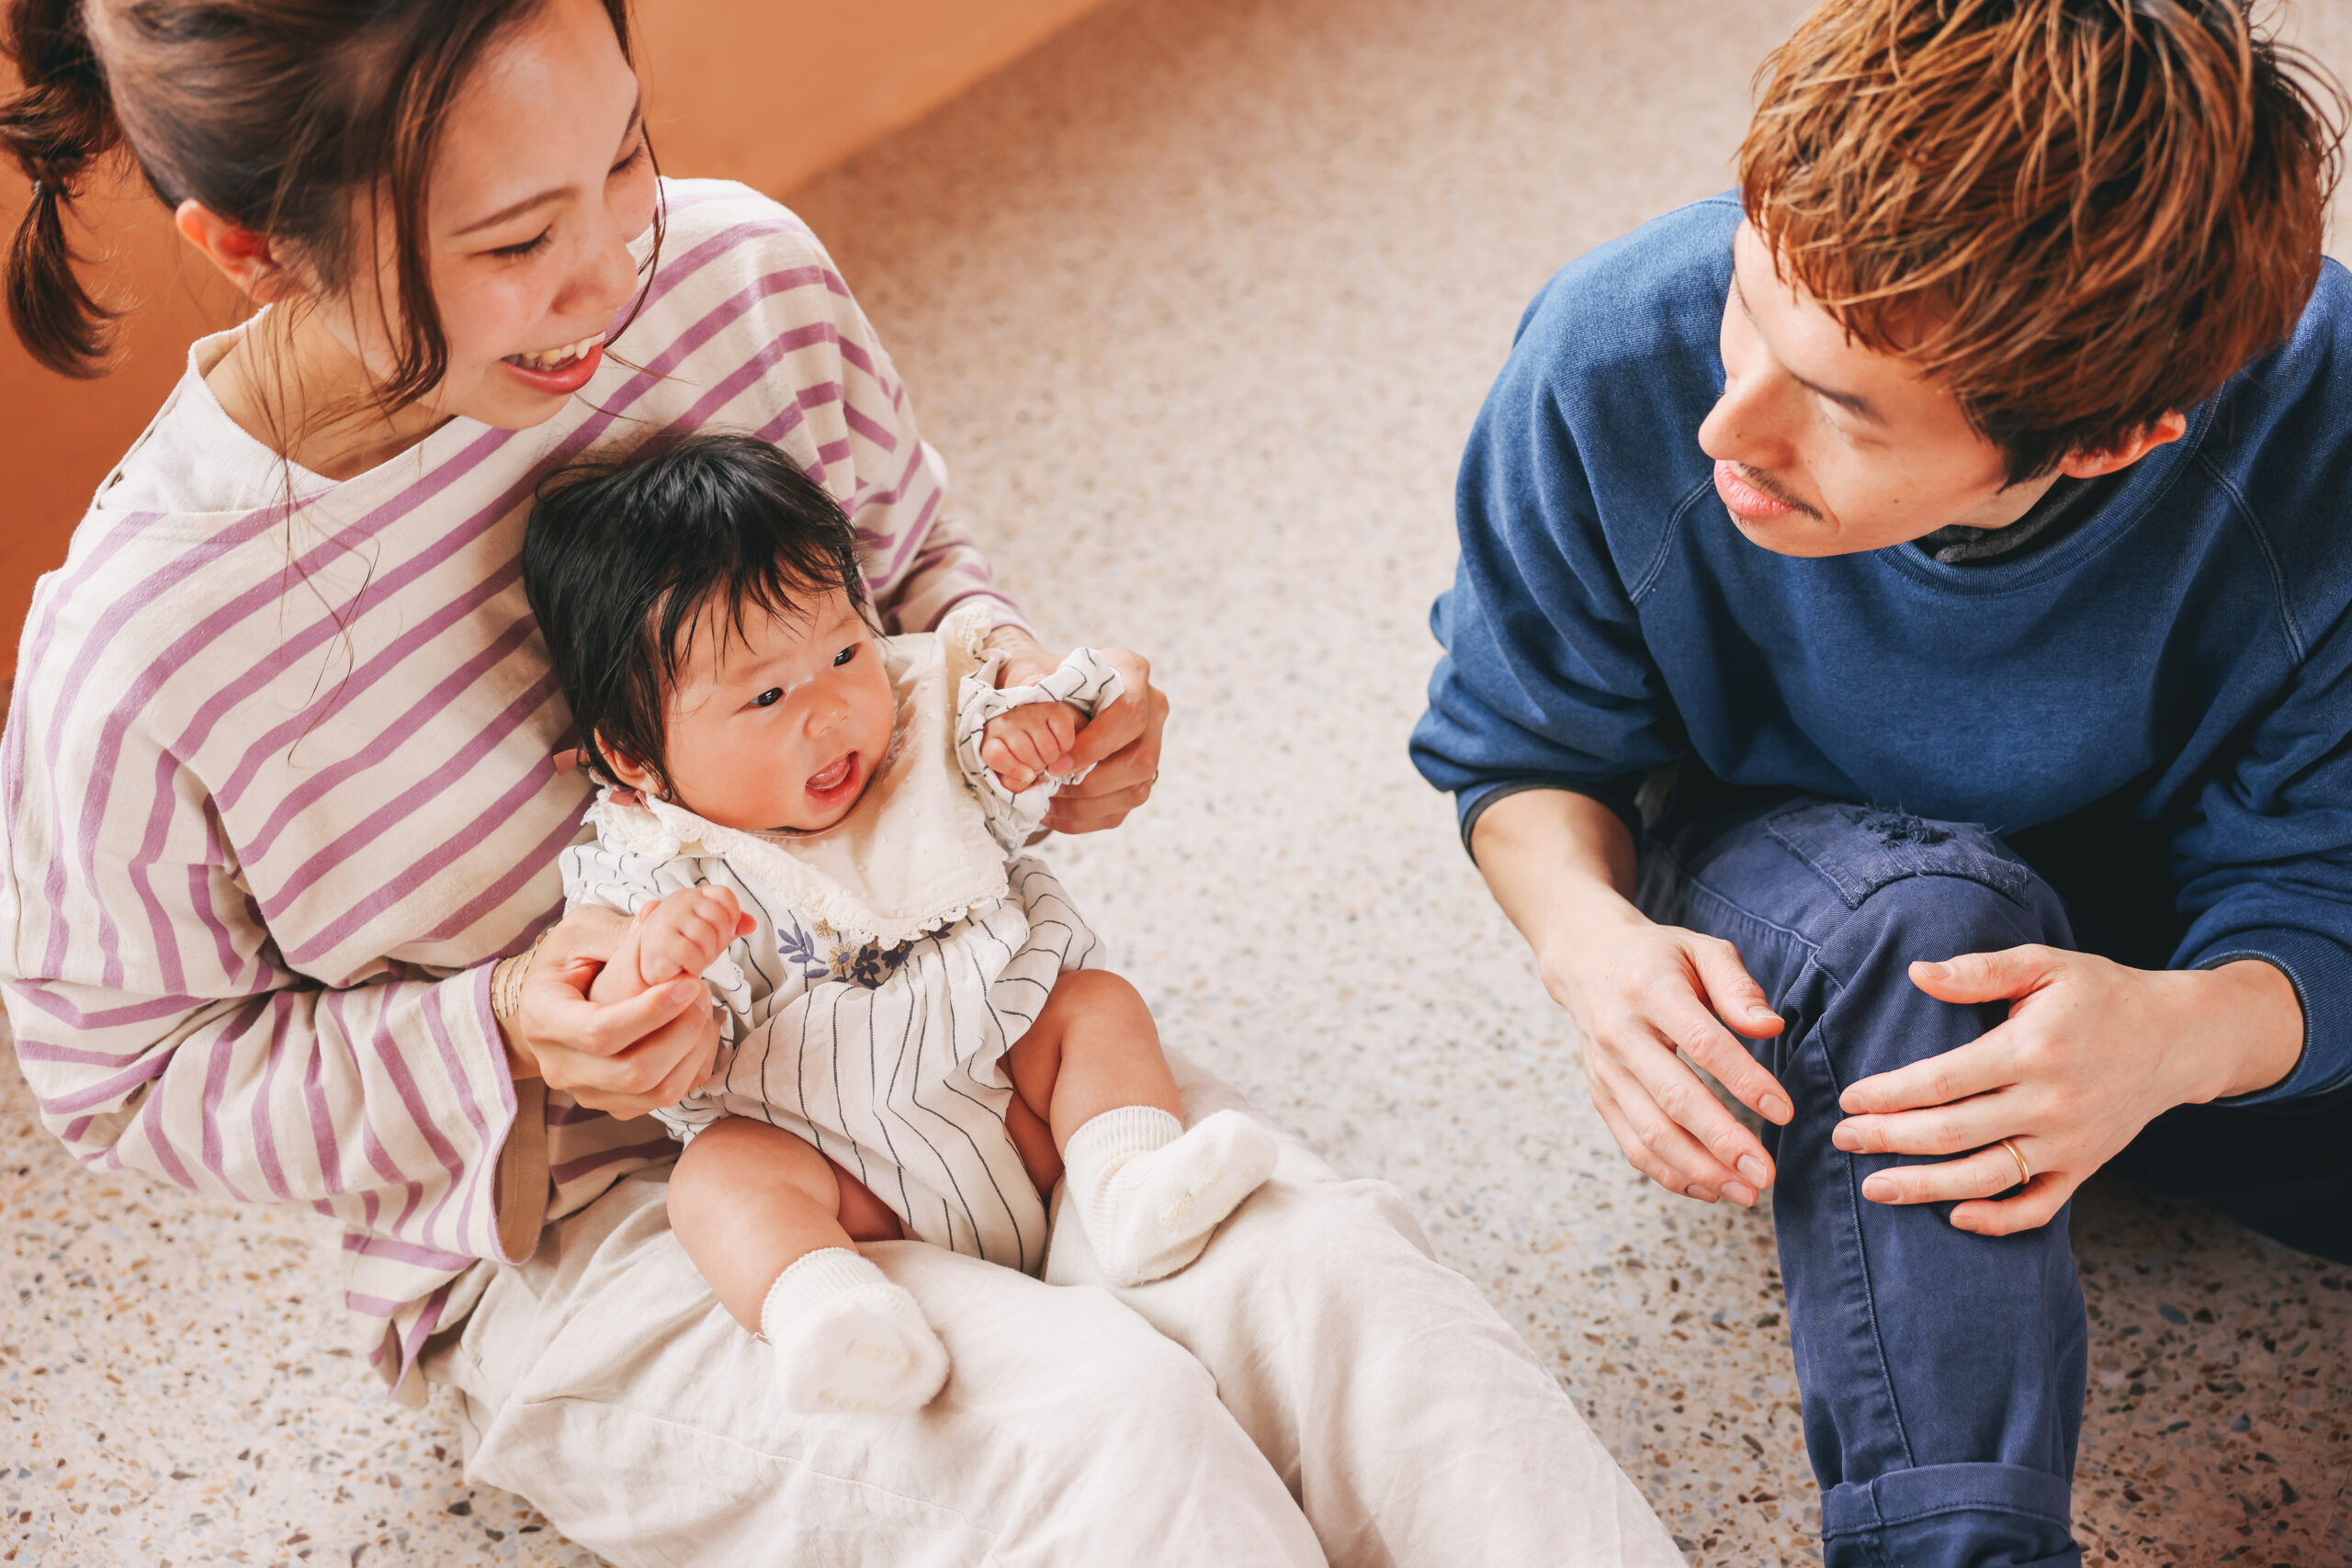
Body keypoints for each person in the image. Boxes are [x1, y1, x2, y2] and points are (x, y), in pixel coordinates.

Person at [0, 0, 1685, 1562]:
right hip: (592, 1212)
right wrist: (505, 1023)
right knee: (1103, 1433)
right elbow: (124, 1078)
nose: (610, 273)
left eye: (626, 156)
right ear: (245, 250)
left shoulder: (738, 280)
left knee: (1349, 1300)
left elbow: (915, 568)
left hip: (954, 1034)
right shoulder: (148, 646)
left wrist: (1021, 686)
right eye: (515, 242)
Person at [1411, 1, 2352, 1564]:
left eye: (1842, 409)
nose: (1729, 424)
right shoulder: (1604, 352)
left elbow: (2323, 884)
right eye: (1748, 306)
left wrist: (2182, 1034)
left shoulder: (2319, 446)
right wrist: (1593, 946)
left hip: (2182, 910)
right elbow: (1520, 746)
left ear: (2116, 441)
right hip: (1812, 867)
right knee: (1929, 925)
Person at [523, 433, 1277, 1415]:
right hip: (848, 1184)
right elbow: (618, 1028)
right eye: (764, 694)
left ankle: (1128, 1185)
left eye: (843, 651)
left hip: (1019, 1102)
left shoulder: (922, 727)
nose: (832, 708)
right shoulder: (648, 861)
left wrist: (1031, 731)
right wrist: (647, 967)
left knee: (1093, 1006)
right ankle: (830, 1311)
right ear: (633, 752)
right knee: (718, 1178)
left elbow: (1015, 757)